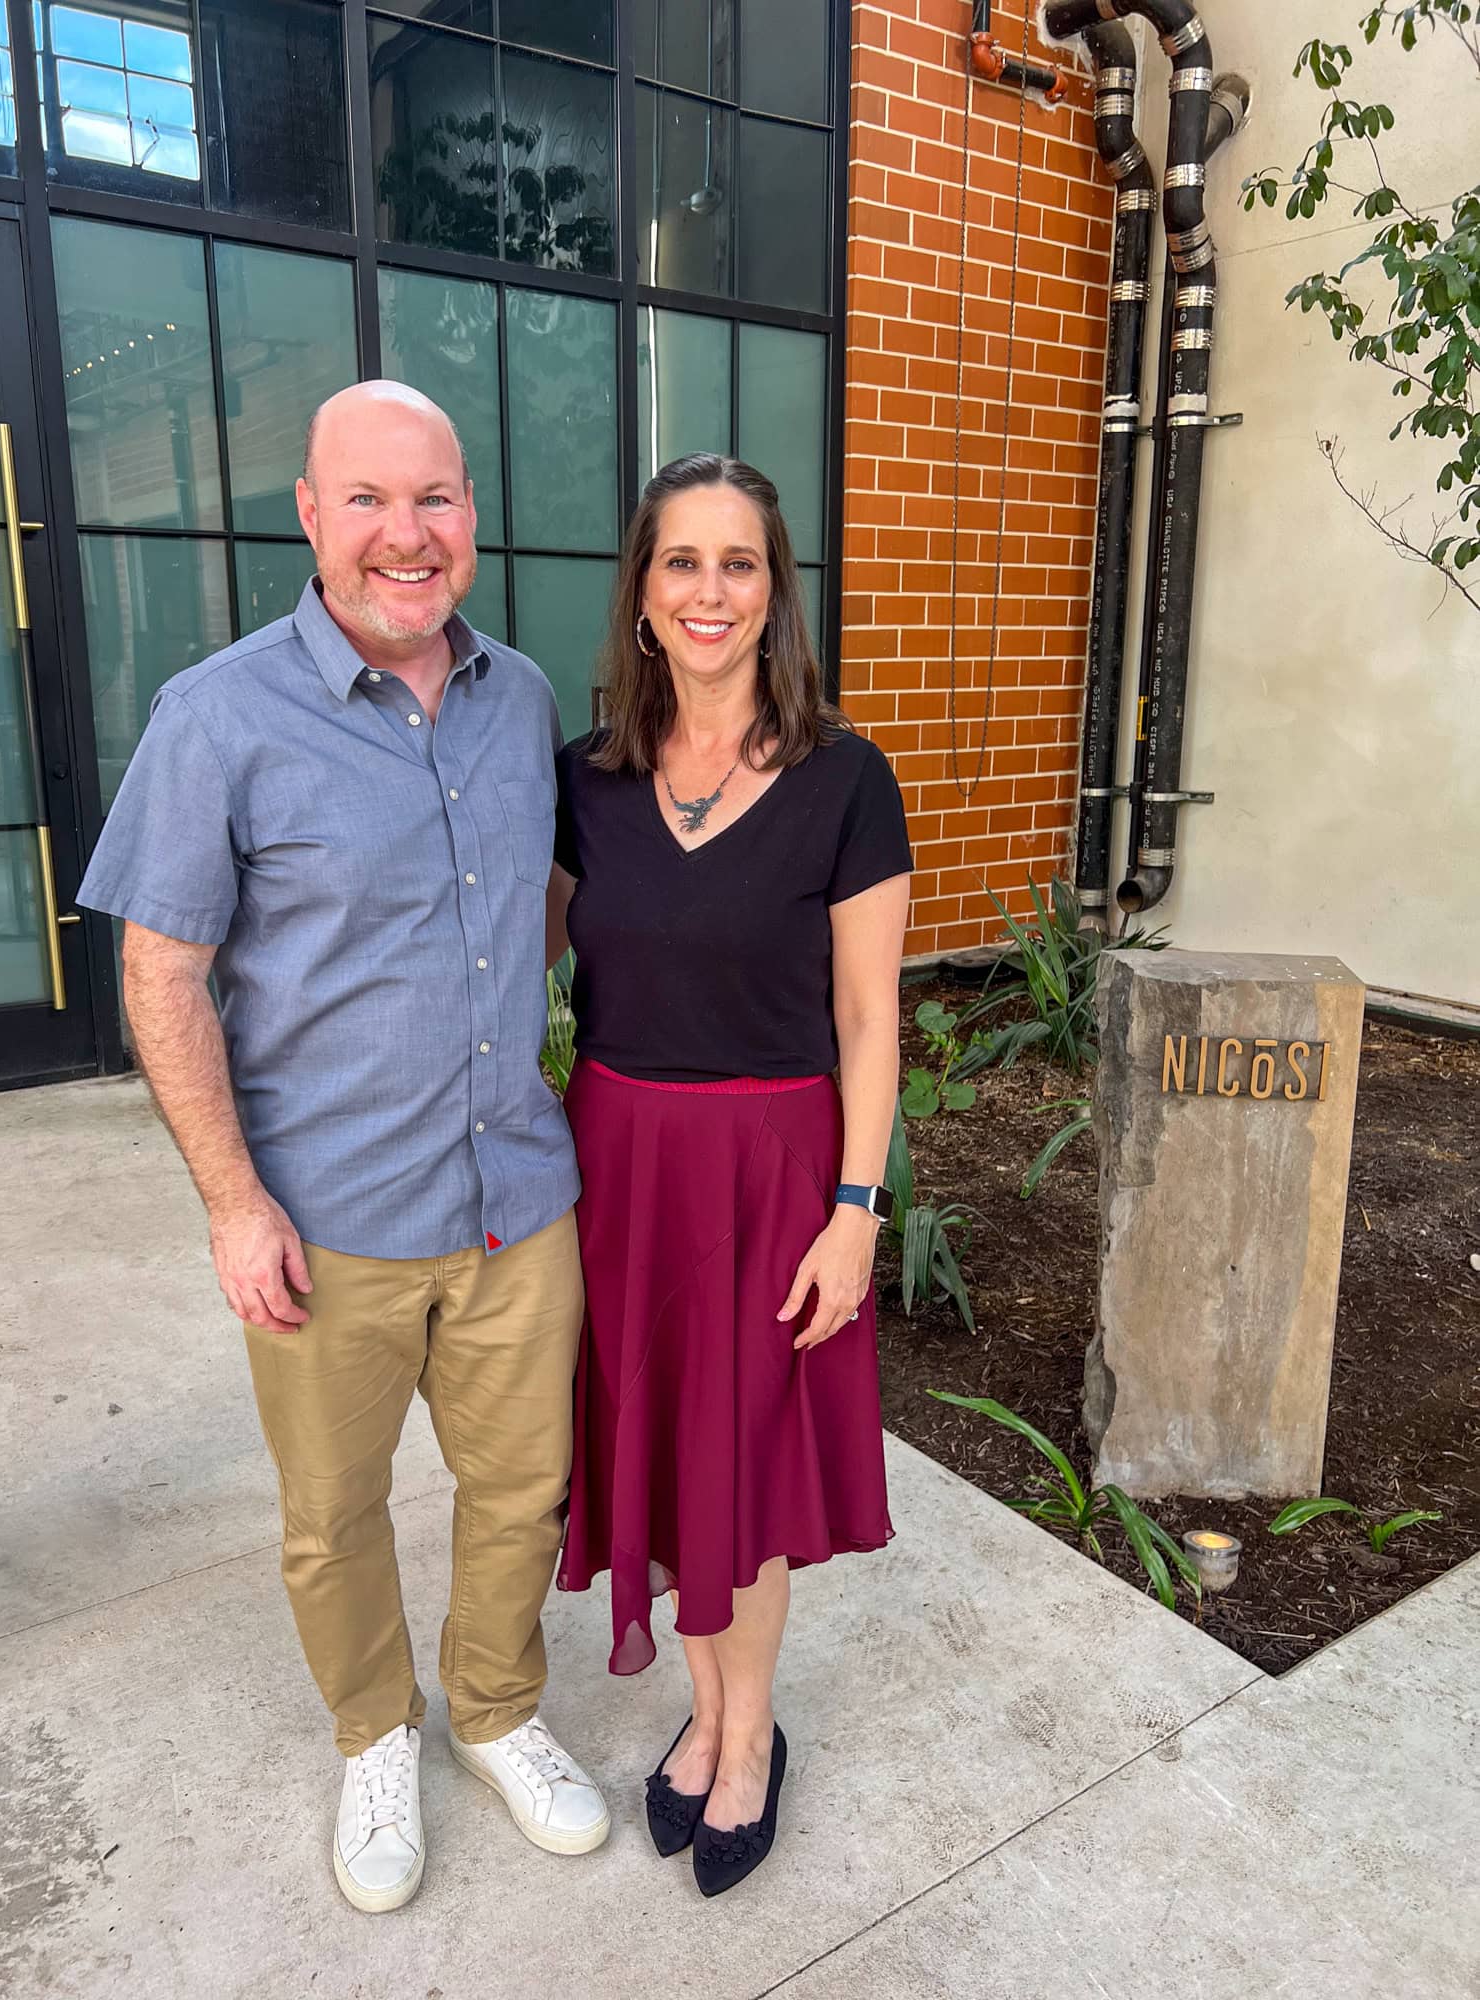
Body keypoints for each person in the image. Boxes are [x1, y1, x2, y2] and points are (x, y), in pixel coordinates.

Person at [76, 381, 608, 1914]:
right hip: (328, 1221)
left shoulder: (517, 704)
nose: (405, 534)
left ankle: (499, 1710)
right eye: (366, 500)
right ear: (309, 515)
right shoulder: (218, 716)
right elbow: (161, 973)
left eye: (433, 499)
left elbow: (552, 912)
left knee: (523, 1493)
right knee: (334, 1516)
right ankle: (378, 1729)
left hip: (519, 1197)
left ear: (471, 518)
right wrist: (235, 1206)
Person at [550, 452, 912, 1897]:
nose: (710, 591)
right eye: (681, 561)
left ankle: (748, 1738)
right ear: (642, 593)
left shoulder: (845, 781)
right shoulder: (587, 778)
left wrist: (855, 1209)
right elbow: (514, 949)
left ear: (776, 592)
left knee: (743, 1469)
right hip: (622, 1168)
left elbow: (872, 1018)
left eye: (740, 563)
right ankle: (699, 1719)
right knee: (668, 1454)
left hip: (773, 1179)